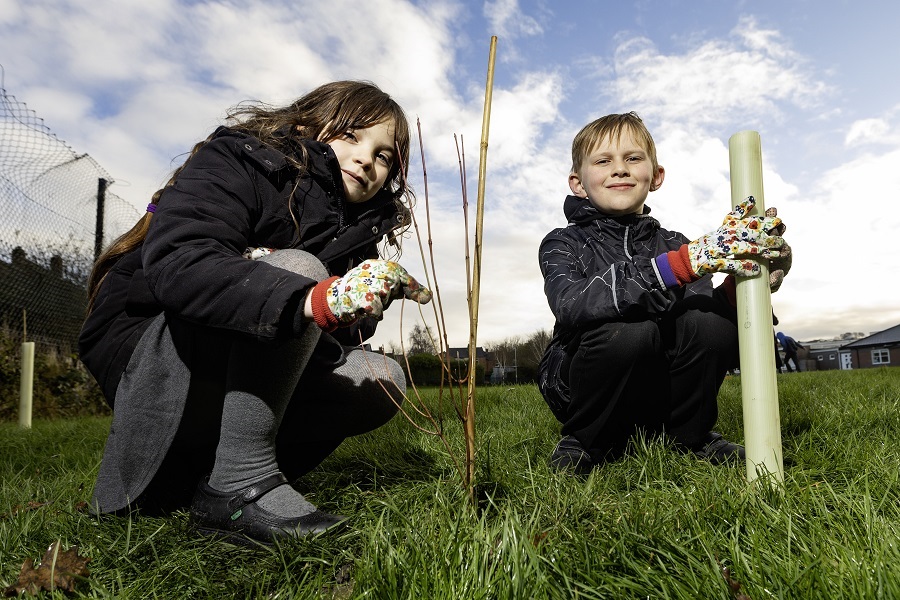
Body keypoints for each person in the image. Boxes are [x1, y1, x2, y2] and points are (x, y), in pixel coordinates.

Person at [79, 81, 432, 545]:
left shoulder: (358, 236)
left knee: (381, 377)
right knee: (299, 270)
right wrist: (312, 296)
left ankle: (210, 477)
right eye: (351, 135)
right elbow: (180, 262)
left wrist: (355, 310)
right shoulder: (240, 159)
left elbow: (322, 345)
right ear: (306, 126)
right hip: (155, 348)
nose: (368, 158)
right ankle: (239, 482)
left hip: (234, 367)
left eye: (385, 155)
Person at [537, 112, 791, 473]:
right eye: (603, 161)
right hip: (585, 384)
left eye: (633, 158)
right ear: (578, 183)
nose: (620, 169)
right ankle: (585, 441)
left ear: (655, 177)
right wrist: (675, 267)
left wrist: (743, 288)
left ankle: (689, 434)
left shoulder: (675, 244)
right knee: (630, 331)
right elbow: (572, 304)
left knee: (709, 322)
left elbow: (703, 326)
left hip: (661, 388)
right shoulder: (563, 242)